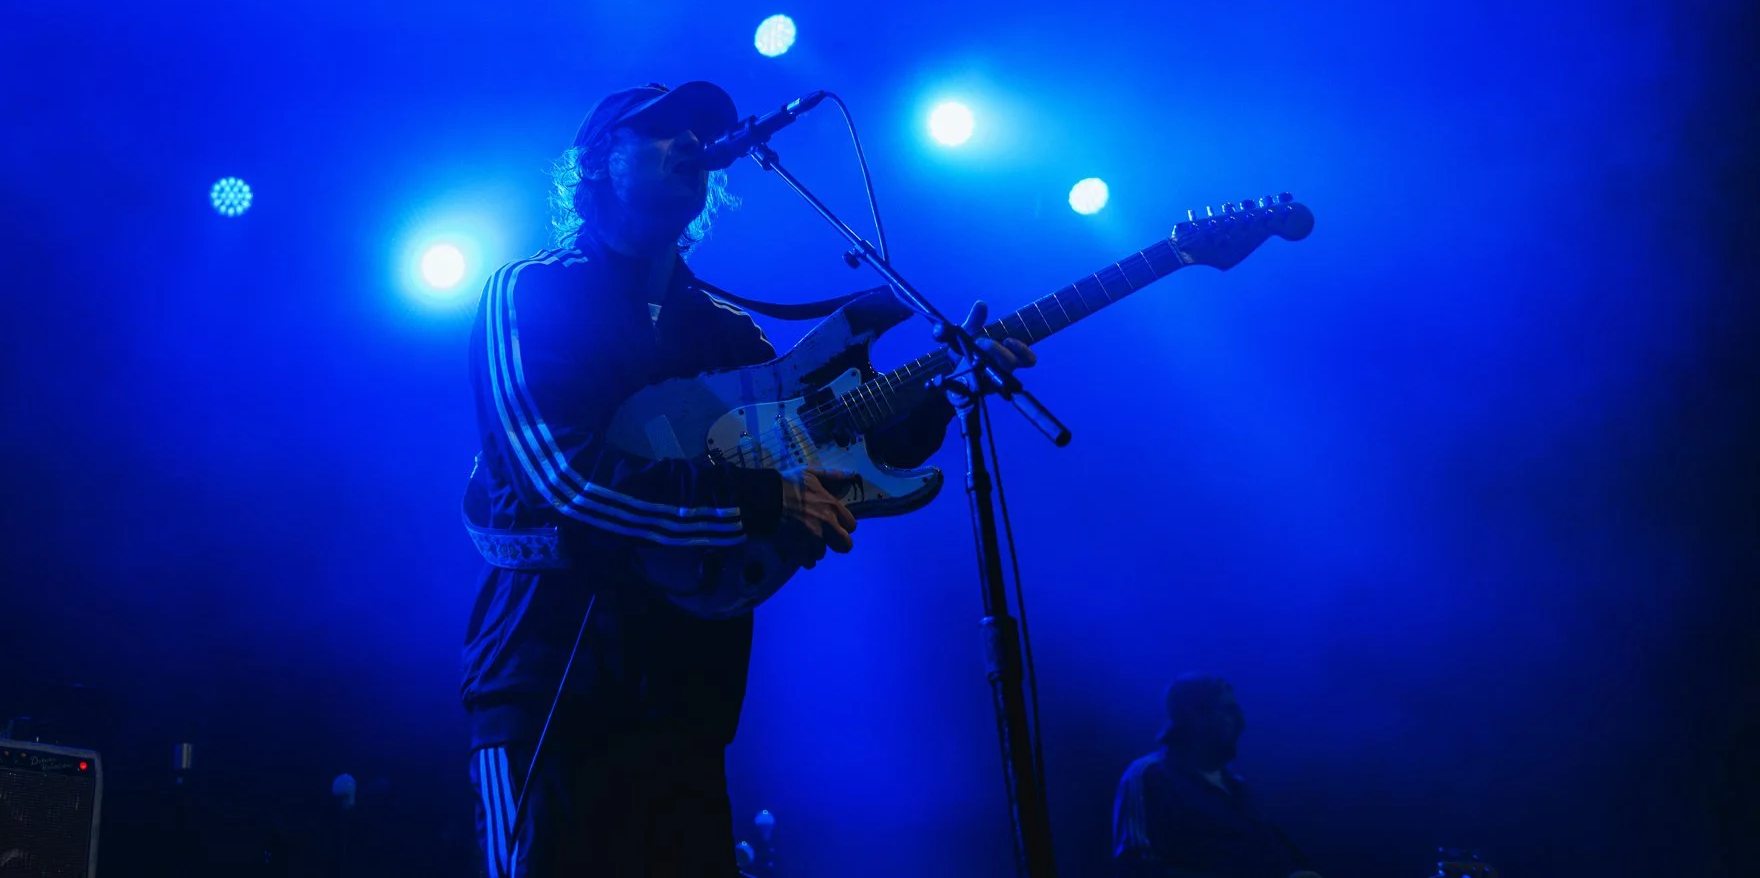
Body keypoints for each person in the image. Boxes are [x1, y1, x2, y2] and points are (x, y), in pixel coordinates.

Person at [461, 80, 1033, 877]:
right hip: (554, 685)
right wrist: (758, 501)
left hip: (689, 695)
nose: (690, 142)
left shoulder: (728, 332)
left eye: (697, 131)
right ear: (595, 162)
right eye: (660, 129)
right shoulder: (533, 291)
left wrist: (941, 397)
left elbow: (822, 456)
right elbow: (560, 476)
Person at [1113, 675, 1321, 878]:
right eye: (1229, 710)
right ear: (1194, 718)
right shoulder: (1150, 775)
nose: (1242, 722)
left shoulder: (1237, 787)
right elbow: (1136, 868)